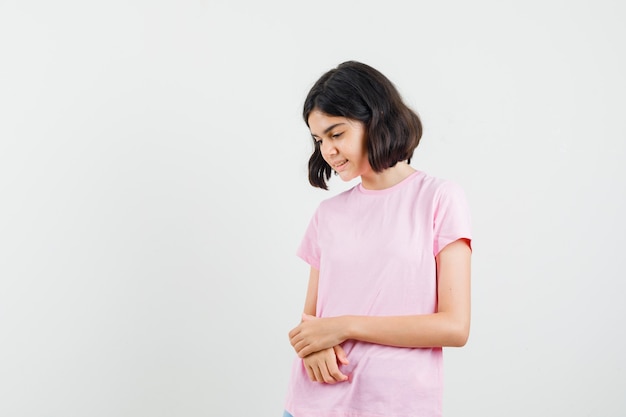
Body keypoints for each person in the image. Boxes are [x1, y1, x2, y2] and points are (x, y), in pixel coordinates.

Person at [283, 61, 472, 417]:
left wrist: (344, 327)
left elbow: (454, 326)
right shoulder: (328, 214)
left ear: (377, 118)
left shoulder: (439, 198)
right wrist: (315, 344)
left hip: (395, 404)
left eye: (336, 134)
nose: (327, 150)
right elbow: (309, 323)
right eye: (319, 139)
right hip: (313, 403)